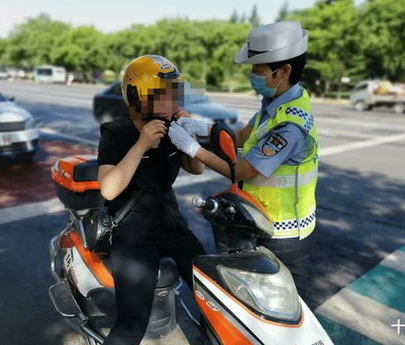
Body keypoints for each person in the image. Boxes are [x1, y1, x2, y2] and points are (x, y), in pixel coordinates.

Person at [168, 21, 318, 300]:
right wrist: (200, 127)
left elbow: (241, 171)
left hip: (283, 233)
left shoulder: (289, 125)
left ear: (283, 71)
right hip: (262, 220)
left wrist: (192, 148)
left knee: (284, 307)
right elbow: (239, 137)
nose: (253, 75)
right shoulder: (277, 103)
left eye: (258, 70)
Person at [97, 55, 206, 345]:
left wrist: (190, 137)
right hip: (134, 237)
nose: (171, 104)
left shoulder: (171, 128)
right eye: (162, 97)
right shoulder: (115, 133)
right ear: (136, 97)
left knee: (215, 294)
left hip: (174, 228)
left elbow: (197, 169)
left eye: (174, 96)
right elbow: (108, 189)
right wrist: (141, 144)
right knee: (131, 327)